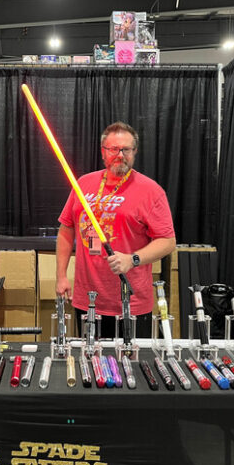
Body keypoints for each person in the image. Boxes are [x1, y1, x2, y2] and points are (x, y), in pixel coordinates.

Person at [56, 122, 176, 338]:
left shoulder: (151, 191)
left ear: (134, 152)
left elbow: (167, 241)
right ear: (103, 152)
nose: (120, 155)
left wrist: (133, 259)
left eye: (126, 150)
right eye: (113, 149)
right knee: (90, 365)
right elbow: (66, 231)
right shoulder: (83, 184)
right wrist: (61, 276)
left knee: (130, 367)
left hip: (131, 303)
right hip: (88, 300)